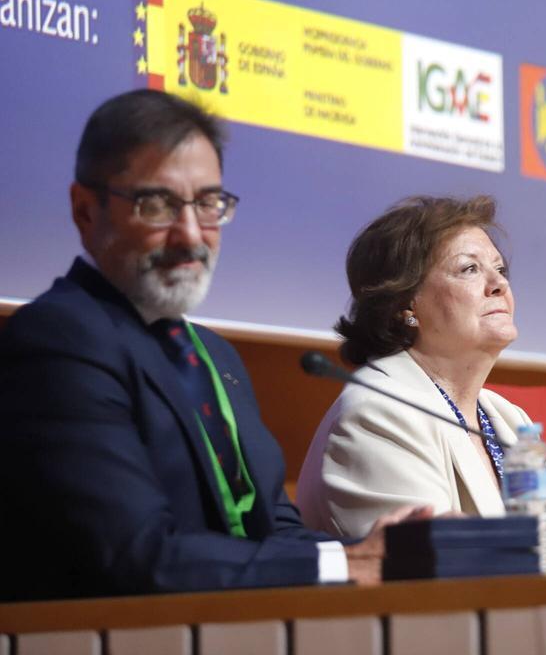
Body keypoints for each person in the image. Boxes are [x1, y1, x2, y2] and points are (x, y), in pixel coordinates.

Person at [0, 89, 422, 601]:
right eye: (155, 204)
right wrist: (344, 560)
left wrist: (379, 553)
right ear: (85, 210)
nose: (190, 235)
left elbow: (271, 528)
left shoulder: (214, 355)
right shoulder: (58, 340)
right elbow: (139, 555)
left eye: (207, 204)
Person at [296, 196, 546, 566]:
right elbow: (437, 574)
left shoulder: (506, 419)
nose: (499, 284)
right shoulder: (377, 414)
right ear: (406, 305)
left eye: (500, 269)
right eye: (469, 269)